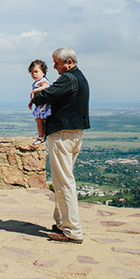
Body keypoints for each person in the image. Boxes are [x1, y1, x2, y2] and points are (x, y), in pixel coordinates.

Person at [31, 47, 90, 243]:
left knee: (63, 182)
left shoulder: (69, 78)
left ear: (69, 63)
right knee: (63, 180)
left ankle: (72, 229)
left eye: (57, 63)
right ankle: (61, 222)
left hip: (63, 134)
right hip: (75, 133)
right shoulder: (80, 78)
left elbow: (46, 95)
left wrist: (36, 95)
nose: (54, 67)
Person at [28, 59, 52, 146]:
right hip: (41, 105)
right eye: (32, 73)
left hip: (44, 105)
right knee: (40, 120)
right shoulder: (36, 82)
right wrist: (31, 102)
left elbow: (46, 86)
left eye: (36, 72)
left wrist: (35, 91)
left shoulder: (43, 81)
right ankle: (42, 135)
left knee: (39, 119)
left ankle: (41, 136)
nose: (34, 74)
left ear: (43, 72)